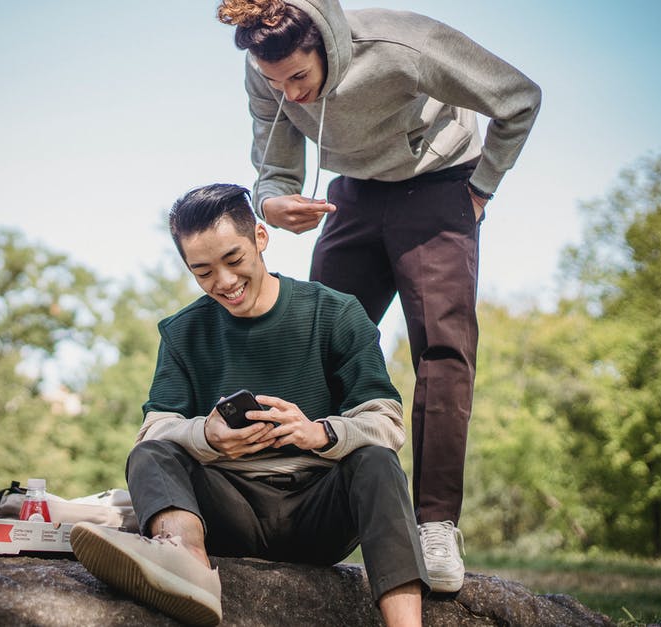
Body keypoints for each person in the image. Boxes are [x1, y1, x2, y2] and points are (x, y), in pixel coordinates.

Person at [215, 0, 542, 592]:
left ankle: (436, 525)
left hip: (442, 186)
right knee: (314, 344)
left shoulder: (401, 46)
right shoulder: (265, 71)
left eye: (298, 78)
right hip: (355, 195)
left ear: (330, 49)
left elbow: (519, 97)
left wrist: (482, 189)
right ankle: (297, 504)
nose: (288, 94)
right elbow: (275, 161)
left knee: (442, 354)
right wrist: (272, 201)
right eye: (274, 82)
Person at [71, 183, 426, 626]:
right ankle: (187, 571)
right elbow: (153, 432)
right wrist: (207, 435)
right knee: (150, 454)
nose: (223, 281)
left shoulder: (335, 313)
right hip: (228, 513)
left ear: (260, 237)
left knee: (377, 462)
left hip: (319, 511)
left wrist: (320, 433)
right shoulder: (182, 332)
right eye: (203, 272)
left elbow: (387, 423)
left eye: (233, 260)